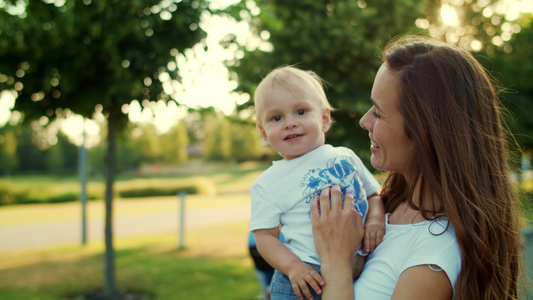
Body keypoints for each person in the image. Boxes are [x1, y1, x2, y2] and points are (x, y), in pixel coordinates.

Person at [310, 35, 523, 300]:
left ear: (425, 132)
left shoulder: (434, 256)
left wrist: (335, 261)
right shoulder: (388, 206)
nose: (364, 121)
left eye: (378, 112)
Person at [249, 66, 384, 300]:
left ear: (324, 119)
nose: (290, 123)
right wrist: (292, 267)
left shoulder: (345, 156)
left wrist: (374, 220)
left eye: (301, 111)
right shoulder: (268, 183)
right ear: (263, 133)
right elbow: (265, 237)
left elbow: (374, 195)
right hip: (306, 280)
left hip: (360, 269)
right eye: (276, 118)